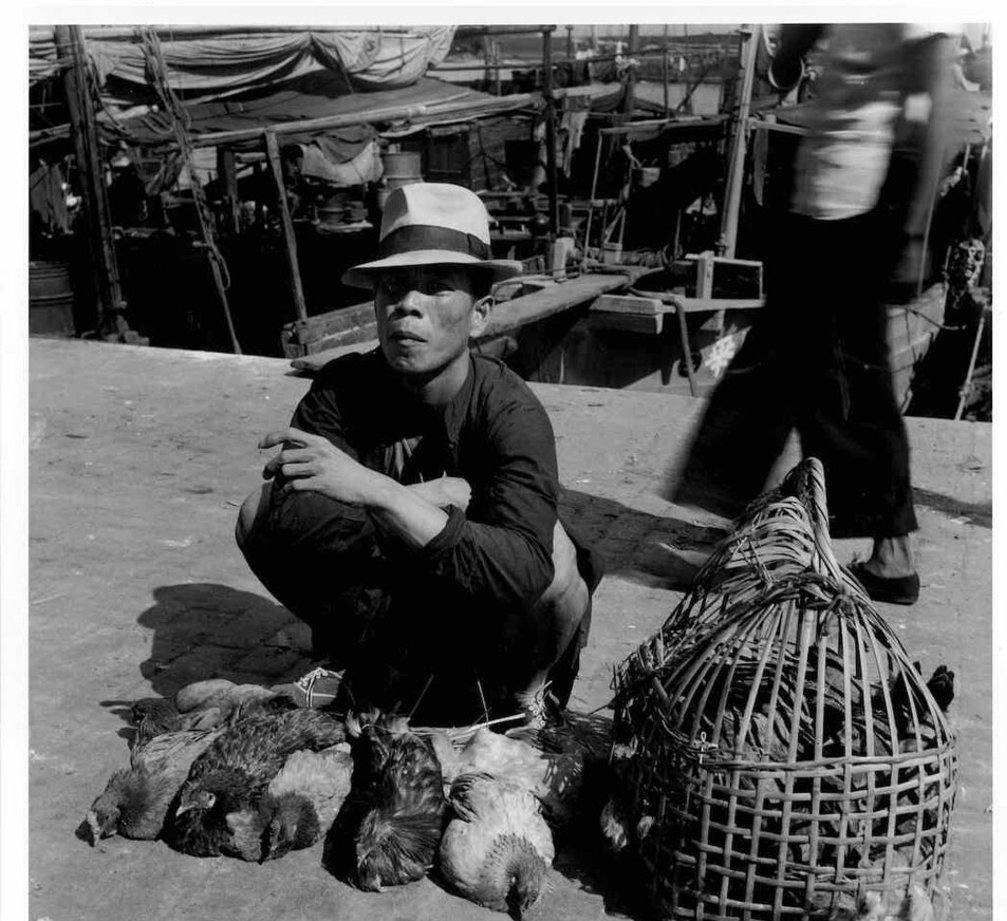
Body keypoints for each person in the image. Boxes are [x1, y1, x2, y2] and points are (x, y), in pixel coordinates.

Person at [235, 182, 601, 725]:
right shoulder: (341, 387)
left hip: (487, 613)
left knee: (556, 561)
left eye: (435, 287)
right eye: (393, 287)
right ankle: (358, 655)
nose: (408, 305)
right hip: (399, 594)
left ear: (480, 315)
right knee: (254, 511)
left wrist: (372, 492)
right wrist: (410, 497)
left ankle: (527, 698)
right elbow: (291, 517)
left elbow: (522, 569)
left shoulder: (511, 412)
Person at [668, 23, 959, 605]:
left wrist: (912, 235)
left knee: (853, 389)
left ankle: (893, 555)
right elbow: (786, 63)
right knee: (768, 376)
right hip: (814, 207)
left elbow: (943, 114)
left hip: (861, 214)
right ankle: (739, 535)